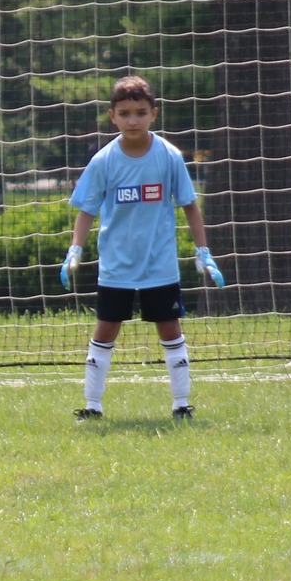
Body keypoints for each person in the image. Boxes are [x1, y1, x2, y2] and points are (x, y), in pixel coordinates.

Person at [59, 75, 225, 421]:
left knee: (170, 330)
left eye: (140, 112)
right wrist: (75, 249)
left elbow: (190, 205)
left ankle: (182, 404)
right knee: (105, 330)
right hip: (116, 267)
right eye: (124, 113)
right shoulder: (104, 160)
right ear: (112, 116)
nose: (132, 120)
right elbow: (87, 210)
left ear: (154, 114)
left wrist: (202, 251)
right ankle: (92, 406)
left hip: (159, 266)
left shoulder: (168, 156)